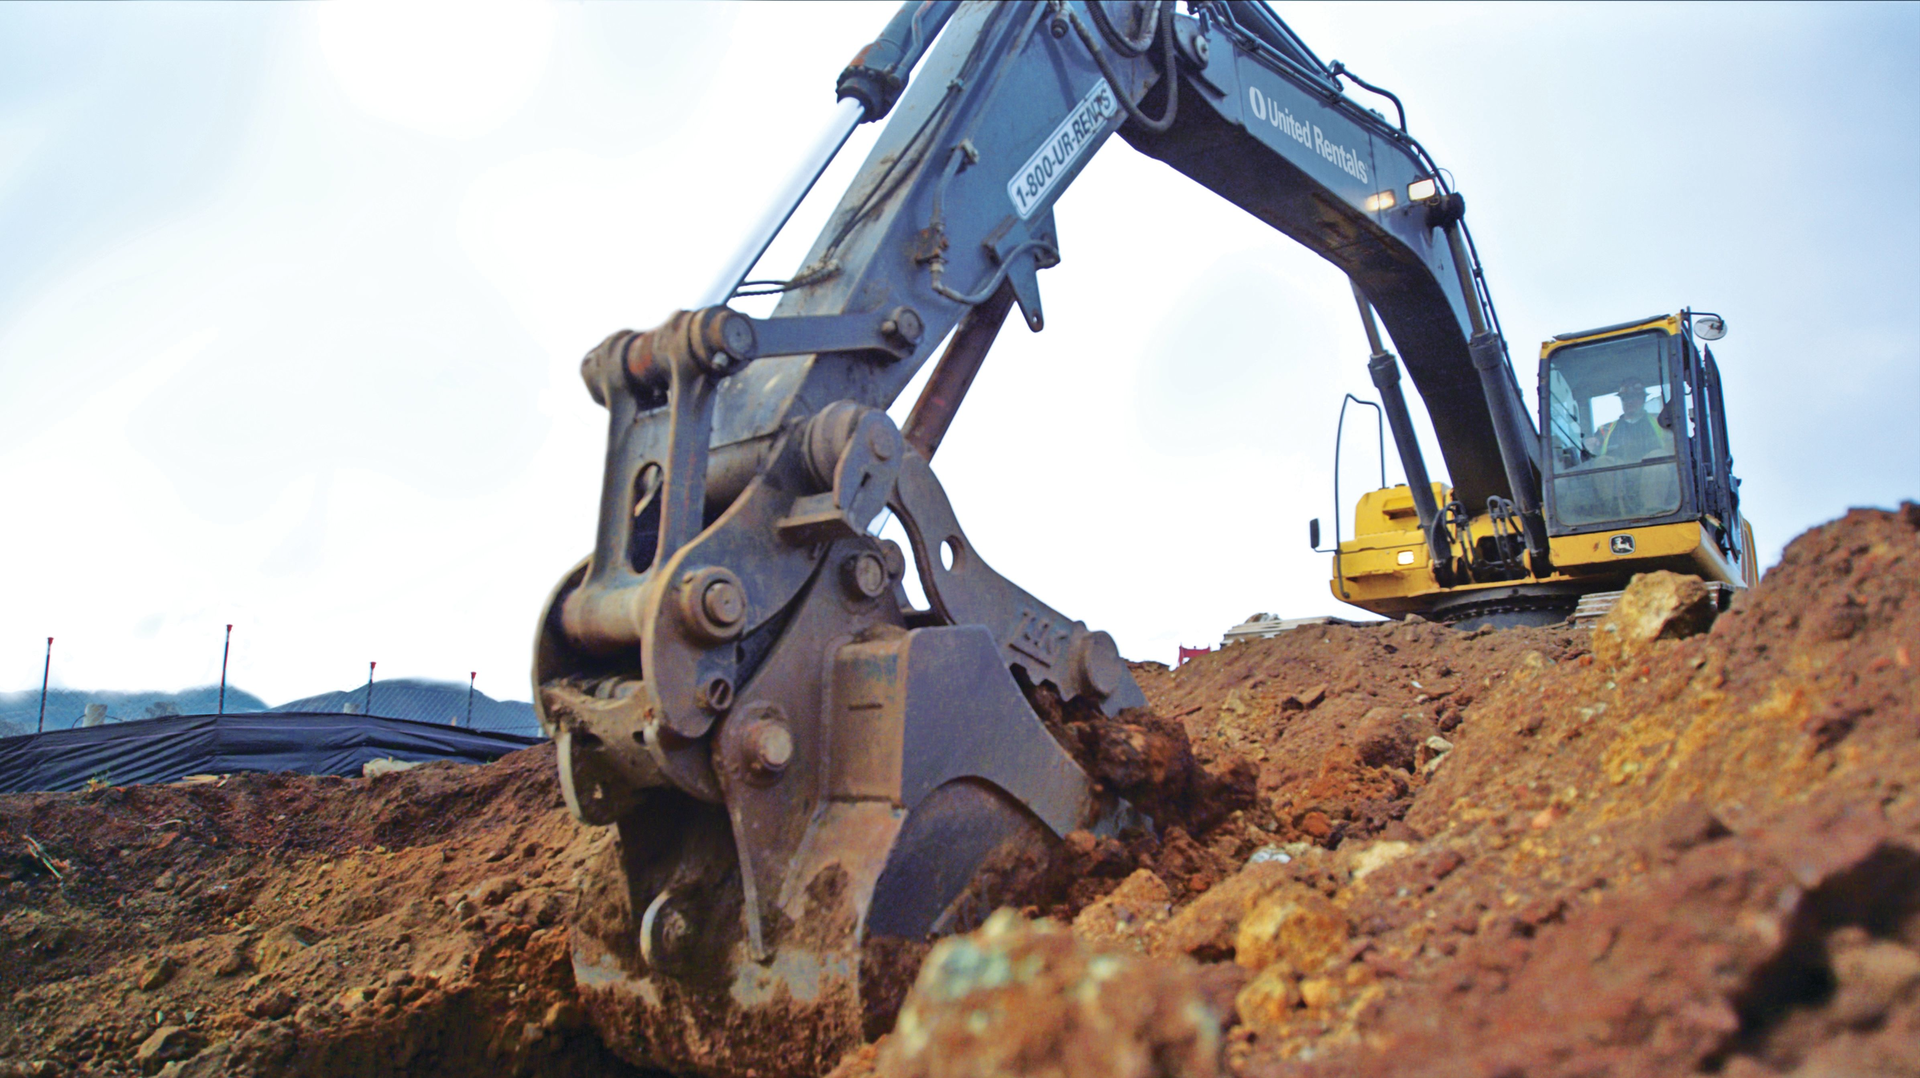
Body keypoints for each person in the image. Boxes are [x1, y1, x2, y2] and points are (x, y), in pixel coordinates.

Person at [1590, 376, 1672, 463]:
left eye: (1634, 397)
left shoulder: (1662, 422)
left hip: (1654, 473)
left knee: (1657, 455)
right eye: (1625, 398)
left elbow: (1673, 448)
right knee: (1602, 461)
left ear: (1643, 399)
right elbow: (1591, 455)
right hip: (1618, 474)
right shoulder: (1604, 430)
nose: (1629, 401)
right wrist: (1590, 445)